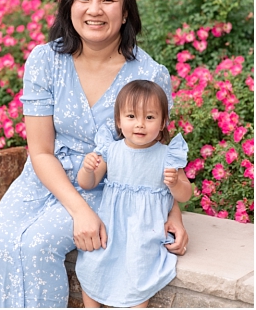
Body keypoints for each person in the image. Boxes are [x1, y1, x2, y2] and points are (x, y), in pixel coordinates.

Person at [0, 0, 189, 307]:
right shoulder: (44, 60)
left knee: (38, 243)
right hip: (44, 176)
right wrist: (78, 212)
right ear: (69, 6)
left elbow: (156, 155)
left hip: (105, 186)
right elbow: (40, 151)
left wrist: (171, 213)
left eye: (108, 0)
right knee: (2, 239)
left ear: (126, 11)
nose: (94, 10)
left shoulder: (149, 74)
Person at [75, 80, 193, 308]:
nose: (140, 124)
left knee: (141, 271)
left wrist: (176, 183)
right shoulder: (111, 150)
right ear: (119, 121)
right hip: (111, 226)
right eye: (131, 116)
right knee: (92, 265)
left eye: (149, 117)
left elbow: (185, 194)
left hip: (145, 228)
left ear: (162, 123)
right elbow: (87, 183)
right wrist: (86, 169)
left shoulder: (168, 156)